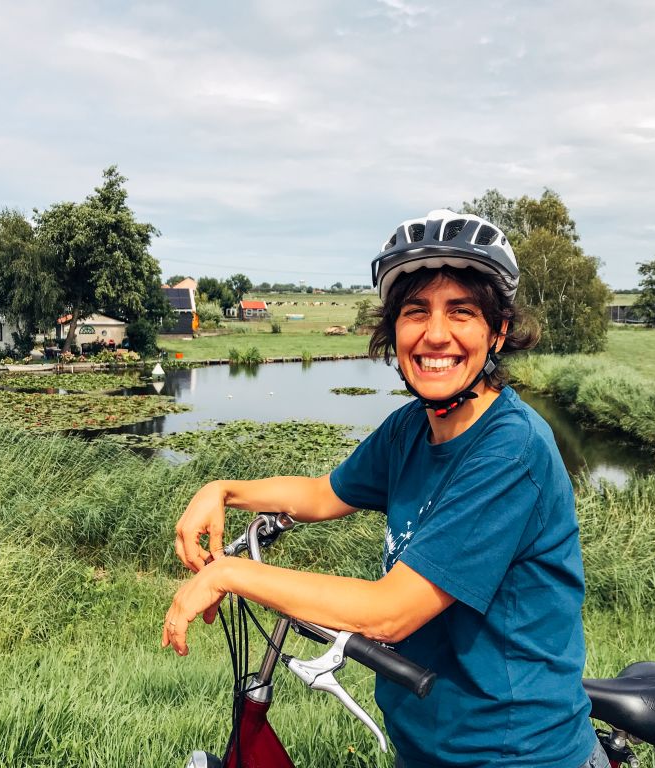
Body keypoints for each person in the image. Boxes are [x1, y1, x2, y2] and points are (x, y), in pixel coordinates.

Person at [163, 209, 605, 768]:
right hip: (427, 746)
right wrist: (225, 490)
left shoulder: (510, 451)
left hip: (515, 753)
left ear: (497, 332)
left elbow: (390, 612)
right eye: (416, 311)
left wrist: (232, 572)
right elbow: (324, 494)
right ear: (394, 330)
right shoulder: (410, 430)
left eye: (461, 312)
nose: (435, 333)